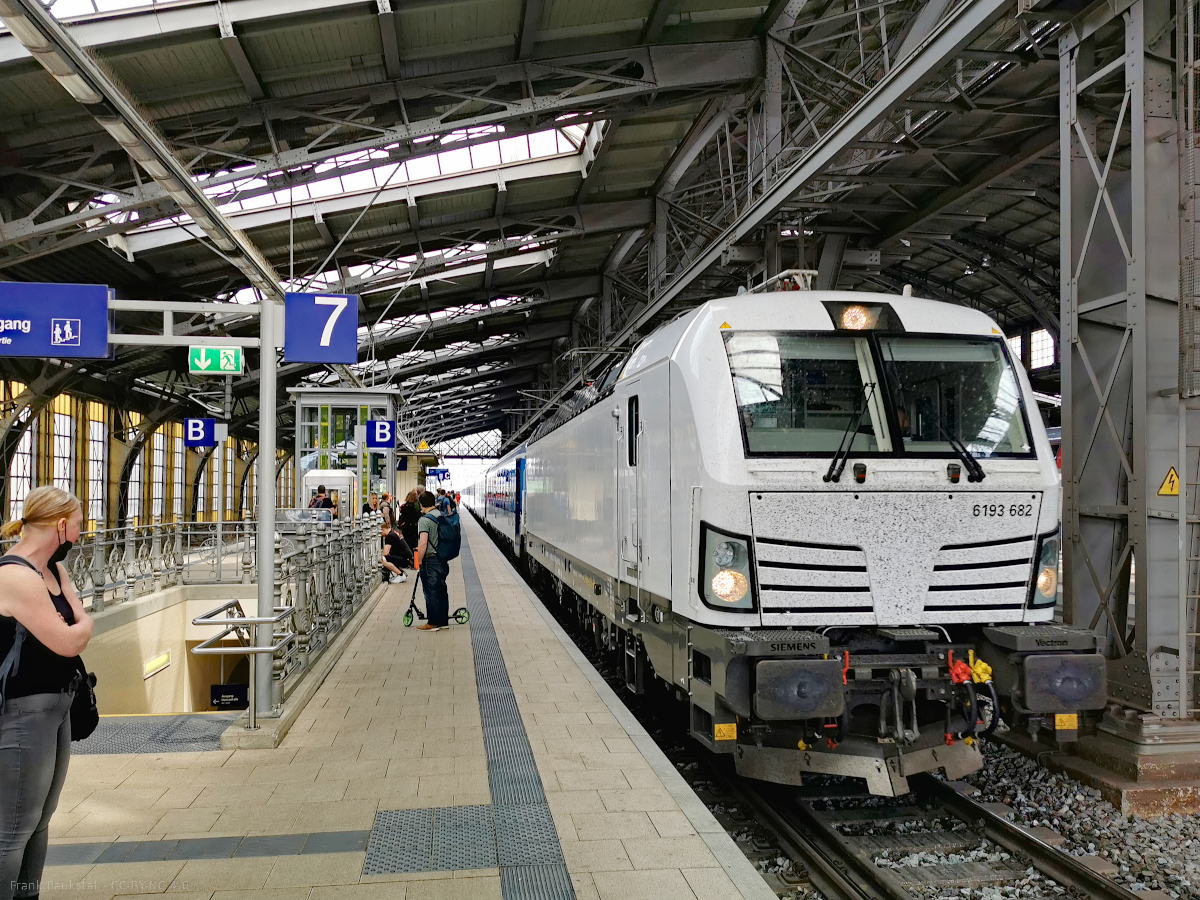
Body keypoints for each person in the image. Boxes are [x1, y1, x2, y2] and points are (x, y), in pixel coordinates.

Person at [0, 486, 95, 900]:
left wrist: (80, 625)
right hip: (22, 713)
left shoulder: (53, 572)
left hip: (57, 706)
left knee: (40, 819)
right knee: (13, 827)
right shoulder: (14, 576)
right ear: (59, 525)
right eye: (77, 526)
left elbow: (78, 622)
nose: (79, 535)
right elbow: (70, 639)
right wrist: (83, 626)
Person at [415, 491, 449, 632]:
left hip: (430, 560)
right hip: (442, 559)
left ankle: (432, 623)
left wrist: (419, 559)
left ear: (421, 504)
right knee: (442, 590)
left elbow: (423, 542)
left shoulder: (424, 520)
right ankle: (443, 621)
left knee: (431, 592)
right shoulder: (441, 516)